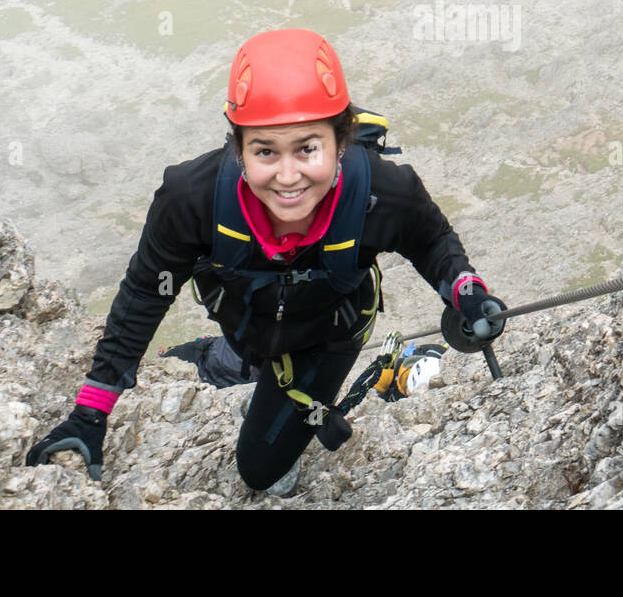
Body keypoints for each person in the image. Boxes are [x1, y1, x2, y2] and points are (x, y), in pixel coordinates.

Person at [26, 28, 505, 496]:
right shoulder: (192, 199)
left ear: (342, 142)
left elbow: (433, 242)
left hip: (326, 337)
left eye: (307, 148)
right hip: (246, 323)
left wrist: (468, 293)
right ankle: (224, 357)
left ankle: (257, 381)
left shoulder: (383, 194)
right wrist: (91, 413)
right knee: (242, 351)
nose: (288, 175)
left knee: (260, 474)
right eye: (264, 151)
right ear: (238, 147)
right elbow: (147, 292)